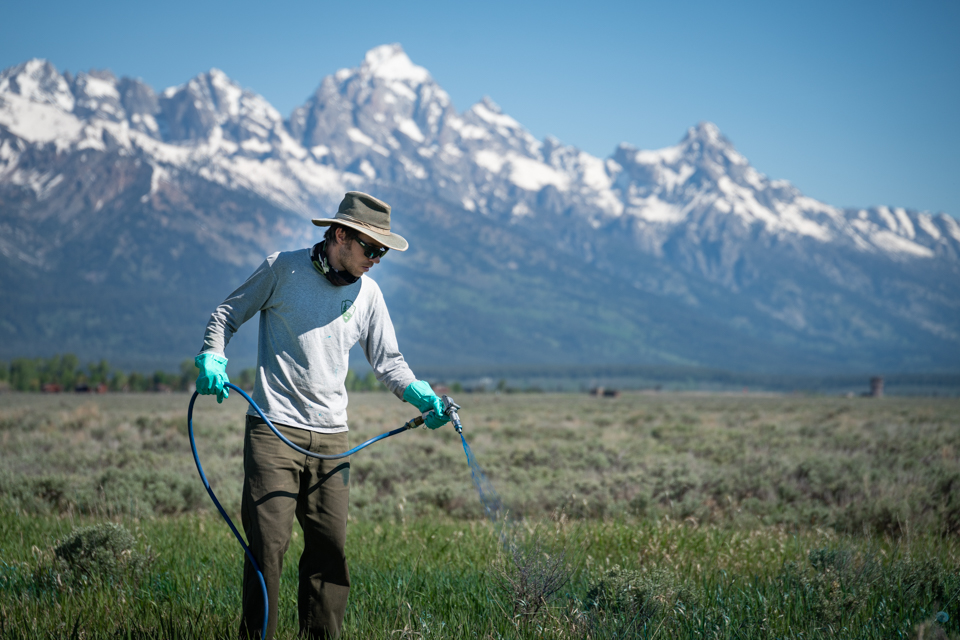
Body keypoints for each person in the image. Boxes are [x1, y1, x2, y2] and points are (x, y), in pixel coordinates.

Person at [194, 191, 450, 639]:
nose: (377, 259)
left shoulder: (370, 294)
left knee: (330, 555)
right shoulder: (283, 269)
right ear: (339, 236)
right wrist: (212, 355)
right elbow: (226, 314)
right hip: (273, 431)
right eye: (371, 248)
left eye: (383, 252)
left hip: (333, 440)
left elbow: (388, 361)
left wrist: (418, 393)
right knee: (268, 552)